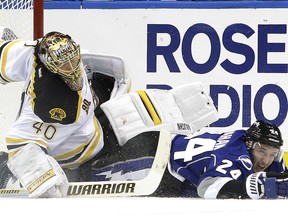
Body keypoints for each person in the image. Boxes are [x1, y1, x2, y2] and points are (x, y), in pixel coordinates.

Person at [0, 30, 219, 198]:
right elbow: (21, 147)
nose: (74, 68)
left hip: (92, 124)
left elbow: (4, 54)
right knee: (153, 150)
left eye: (74, 59)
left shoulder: (33, 51)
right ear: (52, 68)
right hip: (82, 161)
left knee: (139, 106)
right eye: (66, 67)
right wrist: (43, 182)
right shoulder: (53, 110)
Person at [157, 119, 287, 199]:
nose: (266, 160)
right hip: (159, 162)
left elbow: (282, 178)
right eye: (262, 152)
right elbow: (205, 187)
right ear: (249, 145)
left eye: (272, 154)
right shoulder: (233, 155)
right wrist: (247, 189)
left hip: (168, 145)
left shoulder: (246, 139)